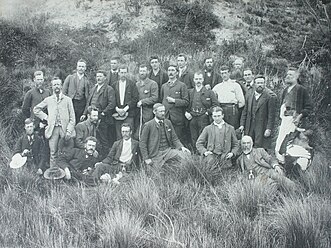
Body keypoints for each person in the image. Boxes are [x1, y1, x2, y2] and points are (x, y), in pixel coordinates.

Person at [33, 77, 76, 168]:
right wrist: (46, 117)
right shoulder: (48, 100)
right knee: (53, 152)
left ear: (61, 86)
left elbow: (72, 118)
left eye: (58, 84)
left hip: (65, 130)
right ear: (52, 87)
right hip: (53, 130)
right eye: (54, 85)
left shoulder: (68, 100)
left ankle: (66, 172)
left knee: (66, 153)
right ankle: (54, 174)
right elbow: (36, 109)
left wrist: (69, 131)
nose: (56, 86)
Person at [275, 67, 313, 163]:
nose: (288, 76)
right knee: (280, 143)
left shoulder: (302, 90)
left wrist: (300, 116)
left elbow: (309, 107)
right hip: (285, 120)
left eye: (290, 75)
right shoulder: (285, 90)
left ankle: (296, 166)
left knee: (292, 144)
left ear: (296, 76)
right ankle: (282, 163)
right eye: (287, 75)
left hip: (295, 121)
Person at [140, 103, 190, 168]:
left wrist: (182, 147)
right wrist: (146, 158)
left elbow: (174, 138)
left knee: (186, 155)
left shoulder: (168, 122)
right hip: (156, 154)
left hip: (168, 151)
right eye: (160, 111)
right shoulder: (148, 125)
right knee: (156, 173)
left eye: (164, 111)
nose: (163, 113)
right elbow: (142, 143)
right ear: (154, 112)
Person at [82, 70, 116, 158]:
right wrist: (85, 113)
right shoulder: (93, 88)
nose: (98, 78)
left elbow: (112, 104)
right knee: (91, 138)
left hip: (103, 119)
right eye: (97, 76)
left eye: (100, 76)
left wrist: (103, 113)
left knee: (103, 139)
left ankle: (105, 158)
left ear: (105, 78)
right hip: (92, 118)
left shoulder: (109, 89)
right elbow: (88, 102)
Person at [239, 76, 277, 150]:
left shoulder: (269, 97)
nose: (260, 85)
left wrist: (268, 129)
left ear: (264, 84)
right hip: (249, 126)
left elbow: (271, 115)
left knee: (260, 148)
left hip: (262, 126)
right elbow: (245, 111)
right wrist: (242, 124)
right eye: (258, 83)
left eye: (262, 83)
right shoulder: (249, 95)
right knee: (249, 145)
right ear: (254, 84)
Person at [185, 71, 219, 149]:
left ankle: (203, 154)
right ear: (193, 80)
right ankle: (195, 155)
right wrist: (186, 112)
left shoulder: (209, 92)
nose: (198, 81)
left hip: (203, 117)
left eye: (200, 79)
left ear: (203, 79)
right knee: (193, 136)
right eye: (196, 79)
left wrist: (207, 112)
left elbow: (216, 105)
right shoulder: (190, 92)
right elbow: (186, 104)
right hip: (192, 117)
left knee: (203, 136)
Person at [161, 64, 189, 145]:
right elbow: (161, 100)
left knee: (177, 140)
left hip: (177, 118)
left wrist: (174, 101)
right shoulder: (164, 86)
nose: (171, 72)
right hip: (166, 117)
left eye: (173, 70)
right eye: (169, 70)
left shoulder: (182, 85)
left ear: (177, 73)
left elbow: (186, 102)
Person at [113, 65, 139, 140]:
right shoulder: (114, 85)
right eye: (121, 72)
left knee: (129, 134)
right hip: (117, 113)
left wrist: (125, 109)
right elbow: (112, 98)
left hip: (129, 113)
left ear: (127, 73)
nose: (123, 74)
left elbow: (135, 98)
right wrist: (117, 109)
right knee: (119, 135)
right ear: (118, 73)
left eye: (125, 72)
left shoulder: (132, 84)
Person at [62, 59, 90, 124]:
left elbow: (88, 98)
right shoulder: (70, 77)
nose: (81, 68)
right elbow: (63, 92)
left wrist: (85, 112)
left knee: (79, 124)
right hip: (71, 103)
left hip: (81, 105)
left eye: (83, 67)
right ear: (77, 67)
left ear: (85, 68)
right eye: (79, 66)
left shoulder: (86, 81)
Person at [135, 64, 159, 139]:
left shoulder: (153, 84)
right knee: (137, 134)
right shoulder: (137, 84)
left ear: (148, 72)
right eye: (140, 71)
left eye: (144, 71)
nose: (142, 73)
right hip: (138, 113)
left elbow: (155, 98)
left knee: (148, 134)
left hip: (148, 113)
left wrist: (143, 101)